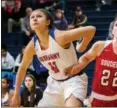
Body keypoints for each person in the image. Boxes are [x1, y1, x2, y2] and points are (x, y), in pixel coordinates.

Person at [10, 9, 96, 107]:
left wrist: (82, 47)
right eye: (32, 17)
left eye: (39, 16)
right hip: (54, 83)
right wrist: (16, 93)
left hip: (73, 80)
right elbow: (22, 68)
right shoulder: (32, 46)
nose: (34, 18)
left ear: (48, 22)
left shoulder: (59, 37)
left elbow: (91, 30)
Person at [65, 19, 117, 107]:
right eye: (116, 25)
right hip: (96, 98)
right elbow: (86, 57)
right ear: (112, 30)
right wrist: (79, 66)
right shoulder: (100, 46)